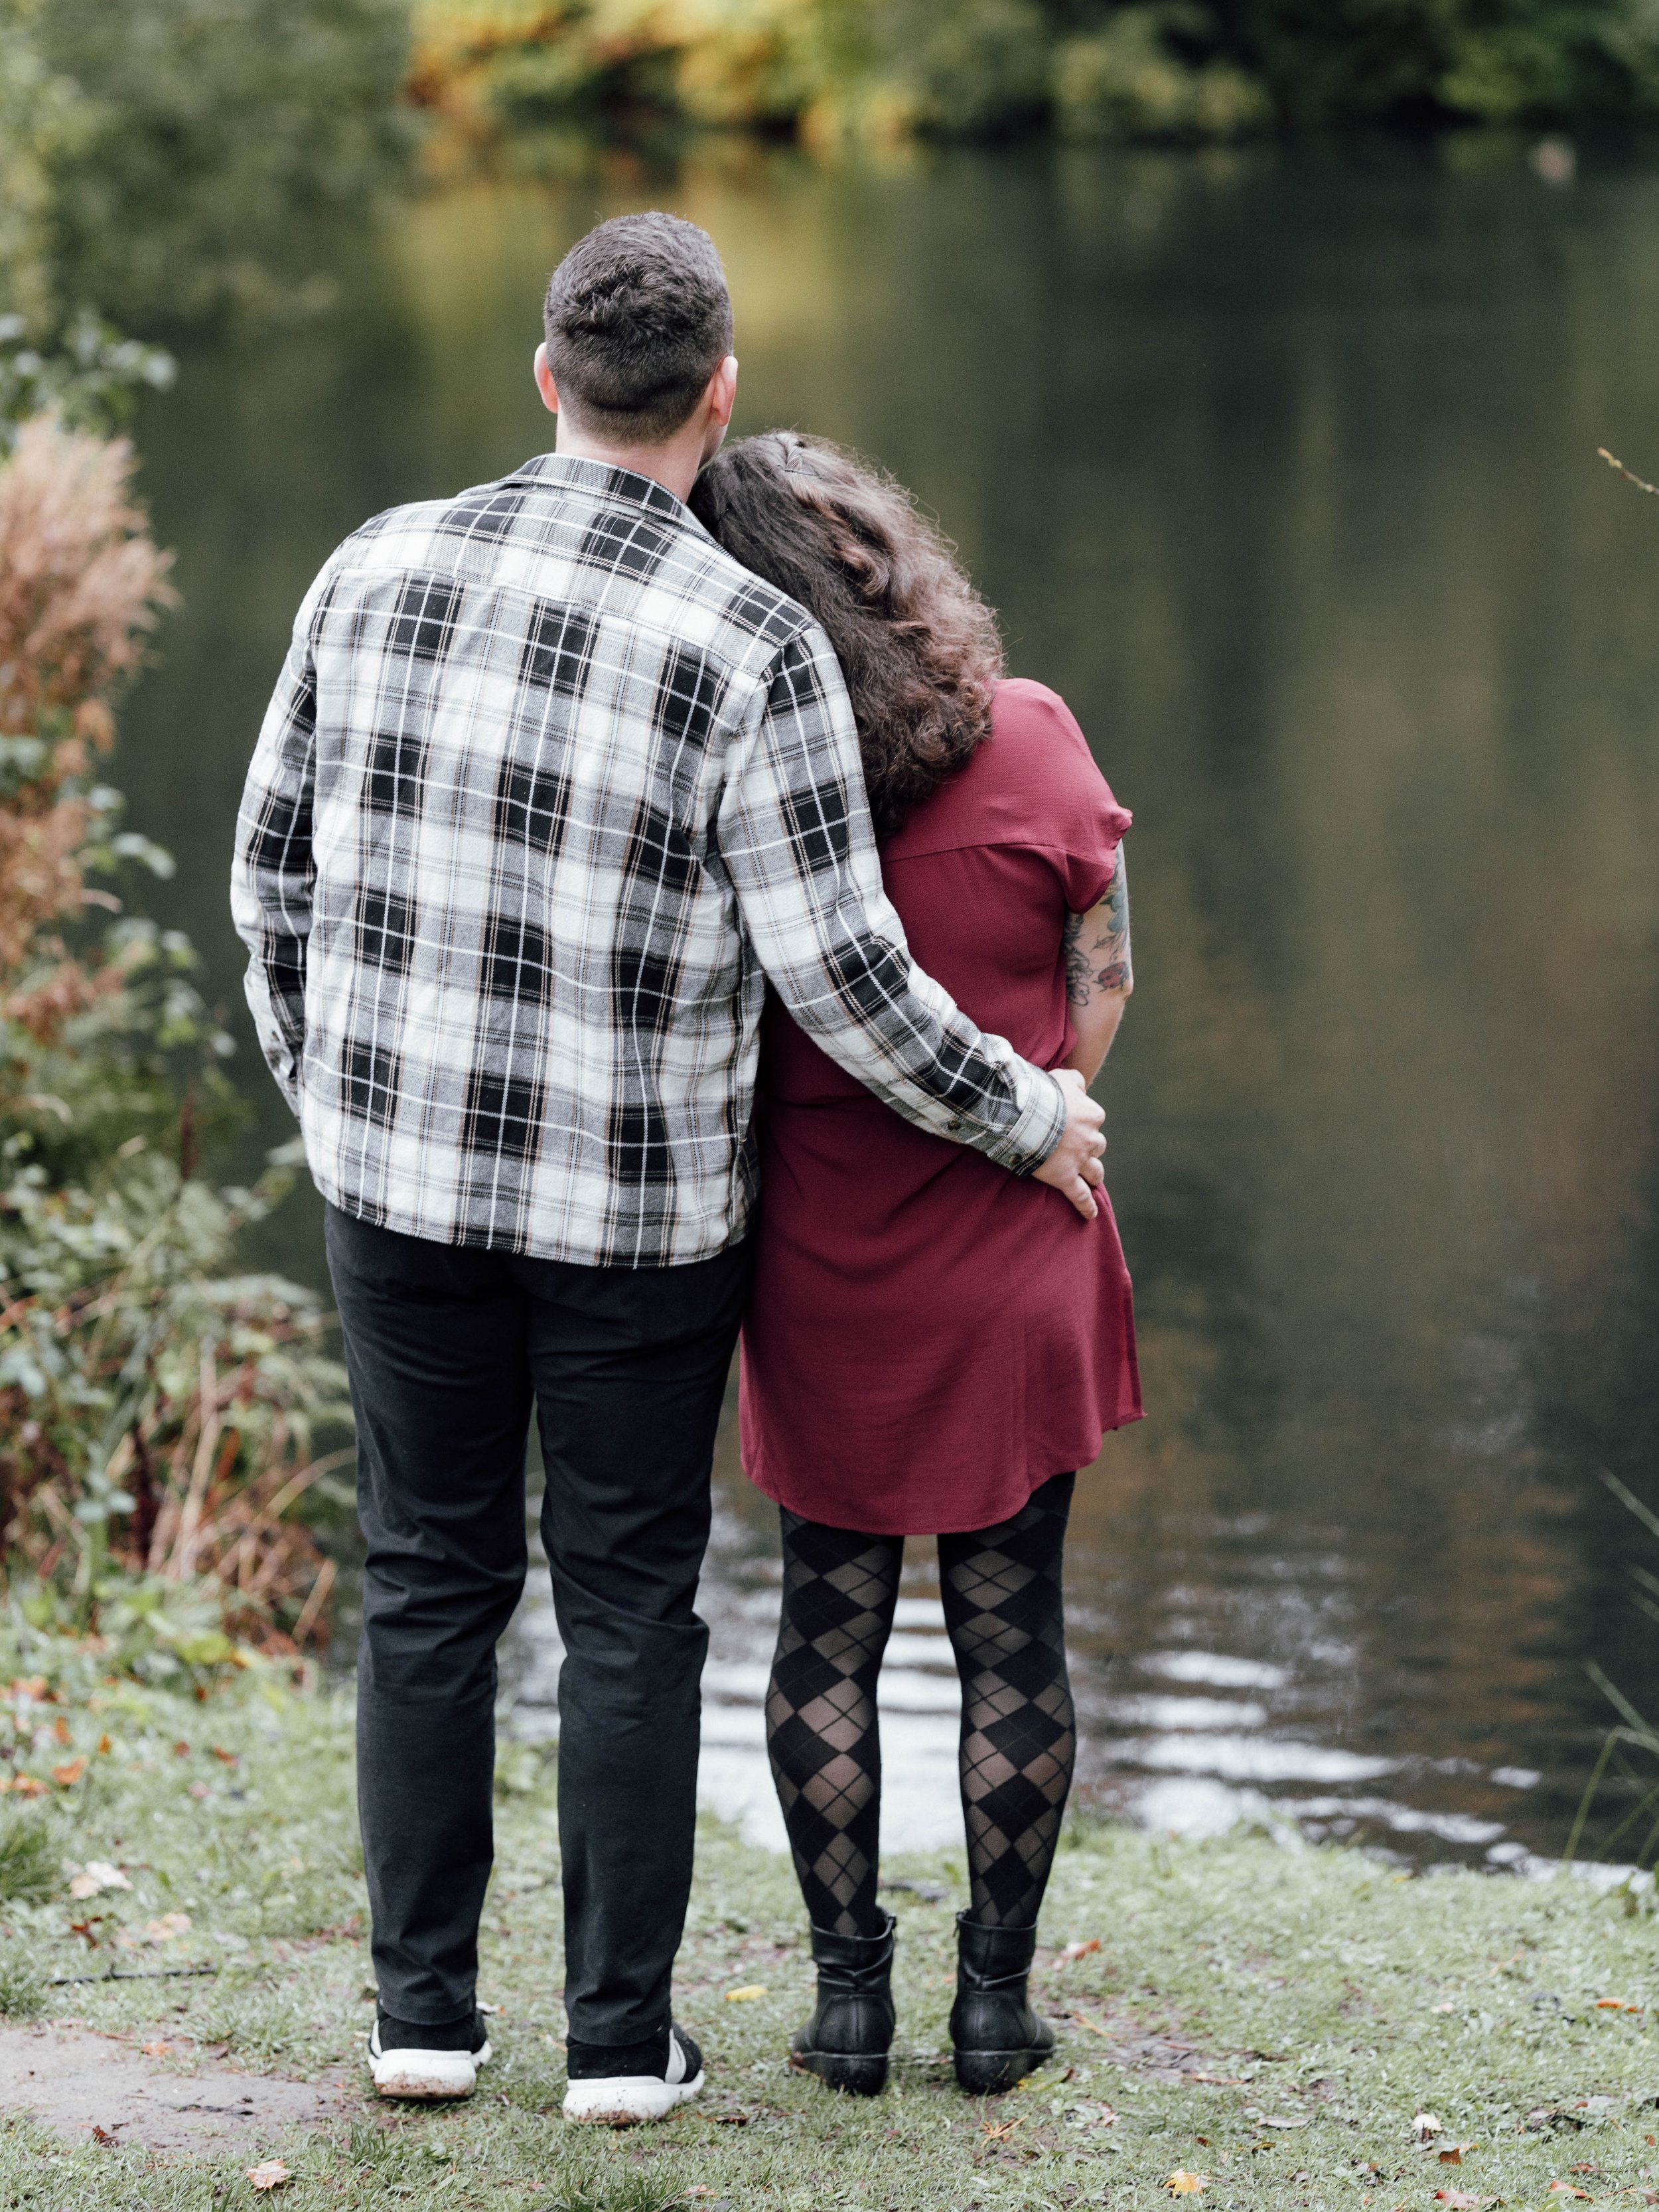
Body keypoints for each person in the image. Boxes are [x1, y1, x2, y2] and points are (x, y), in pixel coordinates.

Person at [229, 214, 1108, 2124]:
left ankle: (423, 2017)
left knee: (425, 1581)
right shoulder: (750, 635)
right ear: (716, 398)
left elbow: (270, 876)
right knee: (626, 1597)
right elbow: (841, 973)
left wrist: (328, 1095)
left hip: (394, 1186)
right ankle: (619, 2042)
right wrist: (1024, 1107)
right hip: (634, 1221)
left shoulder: (371, 562)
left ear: (545, 377)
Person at [687, 432, 1140, 2099]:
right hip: (1022, 1232)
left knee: (827, 1626)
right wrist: (1042, 1107)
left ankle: (848, 2001)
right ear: (895, 557)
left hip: (821, 1259)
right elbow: (1104, 974)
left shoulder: (740, 774)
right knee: (1013, 1628)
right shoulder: (1032, 735)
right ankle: (996, 2005)